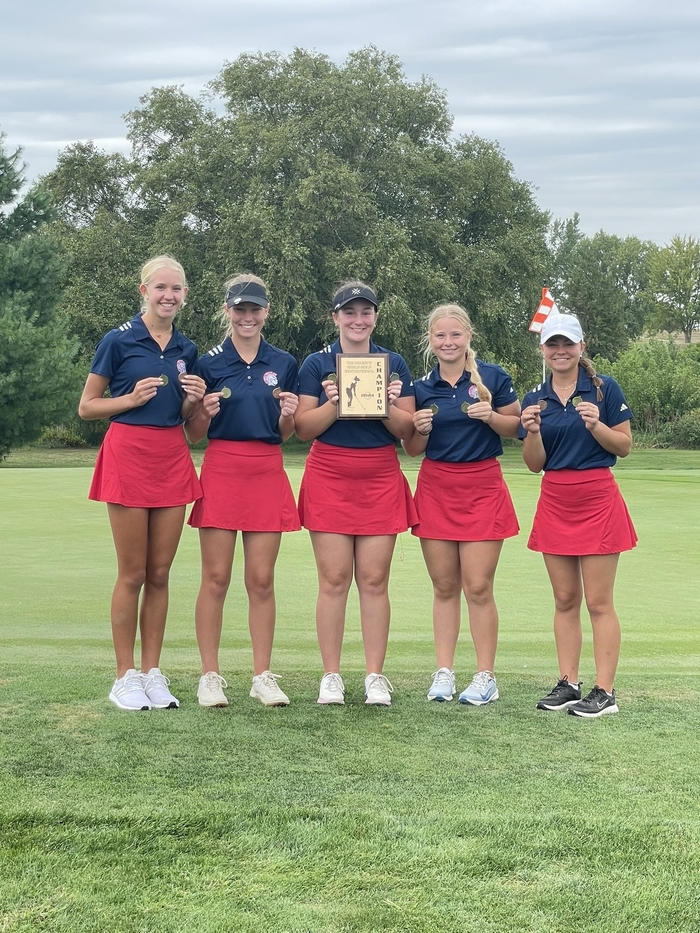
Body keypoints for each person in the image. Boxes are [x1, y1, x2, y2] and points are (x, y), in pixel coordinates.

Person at [79, 255, 206, 711]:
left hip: (172, 457)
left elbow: (188, 421)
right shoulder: (118, 340)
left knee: (159, 573)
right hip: (128, 455)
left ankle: (153, 674)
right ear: (144, 291)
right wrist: (127, 399)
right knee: (132, 573)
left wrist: (195, 402)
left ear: (185, 295)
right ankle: (124, 676)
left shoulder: (186, 349)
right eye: (160, 288)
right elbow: (87, 407)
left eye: (177, 289)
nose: (168, 296)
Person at [294, 281, 417, 706]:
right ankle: (331, 676)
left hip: (379, 473)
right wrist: (337, 401)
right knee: (333, 580)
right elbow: (302, 429)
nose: (358, 320)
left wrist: (382, 402)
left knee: (374, 579)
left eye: (366, 312)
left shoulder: (393, 362)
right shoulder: (316, 363)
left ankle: (374, 676)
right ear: (336, 318)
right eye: (349, 313)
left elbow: (408, 432)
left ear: (375, 317)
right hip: (329, 471)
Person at [185, 274, 300, 708]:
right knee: (215, 578)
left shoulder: (284, 362)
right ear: (227, 311)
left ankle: (262, 675)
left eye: (254, 309)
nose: (247, 316)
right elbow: (194, 433)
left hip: (266, 468)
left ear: (266, 312)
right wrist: (204, 413)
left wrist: (288, 413)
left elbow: (285, 432)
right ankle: (210, 675)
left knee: (262, 580)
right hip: (222, 468)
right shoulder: (208, 362)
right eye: (239, 309)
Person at [519, 312, 637, 718]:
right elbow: (535, 464)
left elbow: (623, 446)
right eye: (553, 344)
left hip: (597, 496)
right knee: (565, 599)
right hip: (555, 497)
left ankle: (604, 692)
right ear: (543, 350)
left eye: (567, 344)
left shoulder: (604, 390)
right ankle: (569, 682)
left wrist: (596, 427)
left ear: (581, 347)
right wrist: (532, 431)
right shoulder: (535, 397)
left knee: (599, 601)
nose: (560, 351)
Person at [404, 304, 520, 705]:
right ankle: (444, 672)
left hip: (483, 486)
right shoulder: (421, 387)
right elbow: (413, 449)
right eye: (440, 336)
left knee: (478, 586)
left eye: (455, 335)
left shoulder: (493, 377)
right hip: (436, 486)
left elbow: (516, 427)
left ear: (469, 336)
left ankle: (485, 676)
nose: (448, 342)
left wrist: (492, 418)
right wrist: (416, 430)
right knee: (444, 585)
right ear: (431, 341)